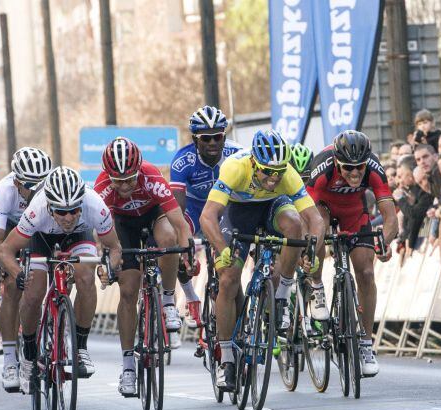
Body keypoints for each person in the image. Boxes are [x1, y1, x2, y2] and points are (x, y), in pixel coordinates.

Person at [200, 129, 324, 391]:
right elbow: (208, 216)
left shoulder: (285, 174)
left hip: (271, 207)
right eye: (267, 171)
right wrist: (222, 249)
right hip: (238, 212)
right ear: (254, 163)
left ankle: (281, 294)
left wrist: (312, 249)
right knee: (228, 278)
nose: (273, 177)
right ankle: (228, 361)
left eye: (278, 172)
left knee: (293, 224)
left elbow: (315, 219)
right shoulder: (235, 168)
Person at [0, 167, 122, 392]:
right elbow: (5, 251)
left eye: (74, 210)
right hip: (40, 239)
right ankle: (28, 353)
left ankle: (81, 348)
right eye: (61, 212)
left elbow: (115, 248)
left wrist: (108, 268)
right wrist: (19, 274)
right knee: (34, 293)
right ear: (49, 206)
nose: (68, 217)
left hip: (78, 238)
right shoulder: (36, 211)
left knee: (85, 276)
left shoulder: (94, 205)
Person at [96, 137, 192, 395]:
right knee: (128, 291)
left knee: (169, 239)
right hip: (122, 225)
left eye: (130, 179)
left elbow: (180, 224)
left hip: (154, 215)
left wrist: (187, 253)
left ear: (139, 169)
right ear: (109, 176)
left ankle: (168, 301)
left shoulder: (151, 176)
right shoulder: (102, 187)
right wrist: (106, 262)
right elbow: (101, 235)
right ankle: (128, 365)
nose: (125, 186)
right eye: (119, 181)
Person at [305, 130, 398, 377]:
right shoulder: (322, 167)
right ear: (337, 162)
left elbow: (391, 218)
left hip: (355, 213)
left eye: (359, 167)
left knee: (366, 273)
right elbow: (308, 214)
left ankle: (366, 344)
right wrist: (310, 250)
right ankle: (316, 287)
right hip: (322, 209)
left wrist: (383, 243)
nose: (355, 173)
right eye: (348, 168)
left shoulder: (374, 167)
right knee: (318, 233)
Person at [0, 147, 53, 392]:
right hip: (14, 229)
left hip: (43, 227)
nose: (36, 189)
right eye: (29, 184)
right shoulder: (5, 190)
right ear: (17, 181)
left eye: (41, 183)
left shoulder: (51, 186)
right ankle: (10, 361)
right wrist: (0, 269)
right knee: (12, 287)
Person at [169, 105, 242, 328]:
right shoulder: (183, 160)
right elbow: (177, 209)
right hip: (193, 208)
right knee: (175, 238)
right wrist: (185, 241)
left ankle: (239, 323)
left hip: (223, 209)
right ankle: (191, 296)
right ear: (195, 139)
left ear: (224, 136)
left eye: (217, 137)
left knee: (229, 268)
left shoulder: (237, 154)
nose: (212, 143)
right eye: (206, 138)